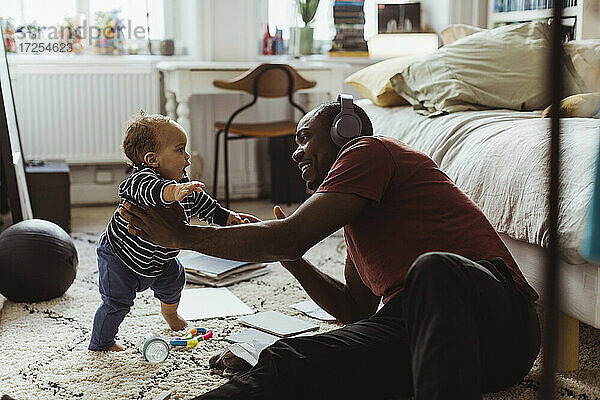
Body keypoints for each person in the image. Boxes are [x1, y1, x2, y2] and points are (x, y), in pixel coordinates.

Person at [119, 96, 541, 399]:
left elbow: (291, 234)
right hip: (422, 335)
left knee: (433, 269)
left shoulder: (368, 150)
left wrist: (183, 237)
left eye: (305, 139)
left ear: (344, 131)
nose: (296, 153)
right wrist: (293, 259)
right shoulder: (358, 220)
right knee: (289, 360)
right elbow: (355, 309)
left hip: (495, 320)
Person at [89, 111, 252, 352]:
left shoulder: (184, 184)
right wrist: (173, 192)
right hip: (120, 258)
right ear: (152, 159)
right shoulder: (140, 180)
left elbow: (206, 205)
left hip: (161, 259)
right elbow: (151, 190)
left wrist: (228, 218)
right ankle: (101, 343)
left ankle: (171, 314)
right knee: (117, 303)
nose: (187, 158)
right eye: (180, 150)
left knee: (175, 280)